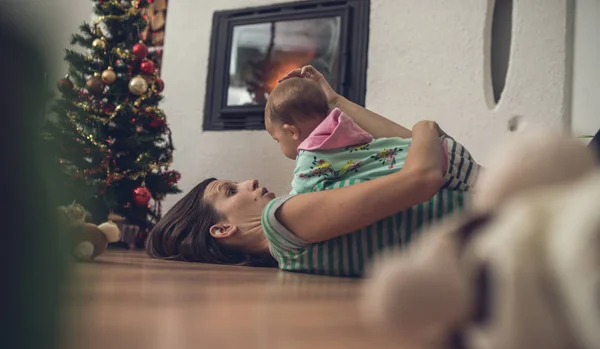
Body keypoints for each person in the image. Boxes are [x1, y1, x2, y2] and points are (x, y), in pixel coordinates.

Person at [147, 66, 470, 276]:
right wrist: (426, 127)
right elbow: (422, 176)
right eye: (231, 191)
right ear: (222, 230)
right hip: (486, 220)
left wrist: (333, 103)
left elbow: (397, 155)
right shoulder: (281, 219)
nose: (251, 181)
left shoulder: (303, 230)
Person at [265, 77, 481, 195]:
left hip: (436, 166)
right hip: (445, 148)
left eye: (277, 140)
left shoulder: (311, 156)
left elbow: (299, 197)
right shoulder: (346, 127)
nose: (279, 145)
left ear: (291, 132)